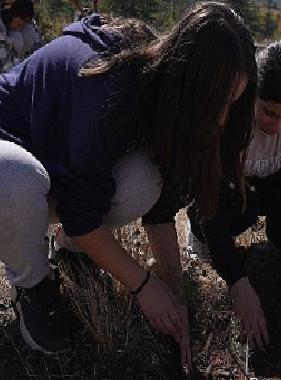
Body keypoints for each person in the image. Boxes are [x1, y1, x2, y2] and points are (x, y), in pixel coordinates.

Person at [0, 2, 256, 372]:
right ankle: (34, 284)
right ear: (188, 86)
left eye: (230, 104)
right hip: (9, 164)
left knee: (143, 180)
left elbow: (160, 211)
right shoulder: (109, 85)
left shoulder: (161, 86)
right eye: (216, 103)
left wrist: (173, 291)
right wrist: (142, 285)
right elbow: (80, 214)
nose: (221, 119)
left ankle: (76, 254)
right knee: (16, 179)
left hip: (55, 170)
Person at [189, 39, 281, 350]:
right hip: (232, 181)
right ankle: (205, 244)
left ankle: (277, 252)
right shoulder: (230, 102)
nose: (278, 125)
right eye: (268, 113)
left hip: (280, 179)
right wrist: (238, 283)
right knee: (215, 227)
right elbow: (207, 197)